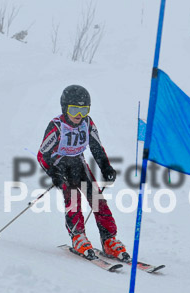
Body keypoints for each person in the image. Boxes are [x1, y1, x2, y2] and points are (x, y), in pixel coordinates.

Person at [37, 85, 130, 261]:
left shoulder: (87, 123)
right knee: (73, 199)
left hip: (79, 164)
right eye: (74, 110)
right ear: (65, 109)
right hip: (60, 167)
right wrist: (54, 174)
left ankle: (109, 239)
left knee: (97, 199)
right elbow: (42, 155)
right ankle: (78, 236)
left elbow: (96, 147)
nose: (79, 115)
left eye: (84, 110)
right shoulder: (57, 126)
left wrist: (106, 167)